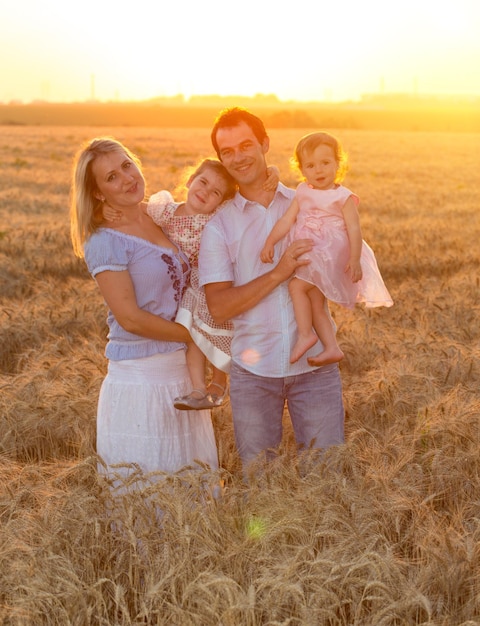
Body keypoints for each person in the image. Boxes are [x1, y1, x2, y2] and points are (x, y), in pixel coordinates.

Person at [199, 107, 345, 471]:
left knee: (327, 479)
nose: (238, 157)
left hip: (315, 371)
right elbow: (218, 307)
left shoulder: (308, 200)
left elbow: (344, 262)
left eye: (246, 145)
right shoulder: (220, 226)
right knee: (260, 484)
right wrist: (280, 272)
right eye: (227, 151)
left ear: (265, 143)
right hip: (253, 373)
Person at [69, 137, 219, 487]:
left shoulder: (160, 215)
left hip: (184, 378)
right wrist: (198, 334)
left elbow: (216, 196)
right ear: (99, 195)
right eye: (111, 178)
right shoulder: (106, 240)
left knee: (191, 496)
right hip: (142, 381)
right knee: (148, 492)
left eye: (126, 165)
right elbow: (130, 318)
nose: (126, 178)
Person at [103, 158, 280, 411]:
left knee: (218, 329)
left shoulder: (217, 216)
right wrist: (104, 210)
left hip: (206, 282)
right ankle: (198, 389)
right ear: (189, 180)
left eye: (215, 192)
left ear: (222, 201)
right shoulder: (166, 211)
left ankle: (219, 382)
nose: (206, 192)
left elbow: (249, 193)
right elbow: (134, 208)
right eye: (203, 182)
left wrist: (271, 170)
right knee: (193, 336)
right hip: (179, 287)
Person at [261, 131, 393, 365]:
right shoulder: (302, 191)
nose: (318, 170)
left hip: (329, 253)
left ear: (337, 164)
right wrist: (270, 241)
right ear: (302, 170)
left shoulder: (342, 196)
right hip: (313, 252)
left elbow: (354, 229)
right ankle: (332, 347)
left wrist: (354, 260)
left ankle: (305, 335)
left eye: (325, 163)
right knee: (315, 301)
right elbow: (286, 220)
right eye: (310, 165)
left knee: (295, 286)